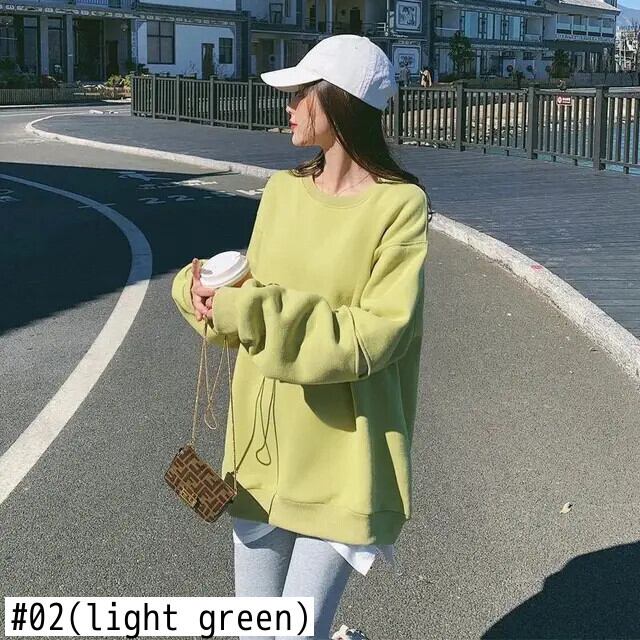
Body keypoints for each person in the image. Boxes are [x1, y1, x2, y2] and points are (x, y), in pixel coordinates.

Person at [171, 34, 431, 640]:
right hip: (262, 450)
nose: (286, 106)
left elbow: (374, 335)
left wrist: (247, 310)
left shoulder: (400, 207)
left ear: (338, 101)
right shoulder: (283, 191)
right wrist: (201, 291)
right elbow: (251, 297)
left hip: (343, 459)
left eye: (299, 94)